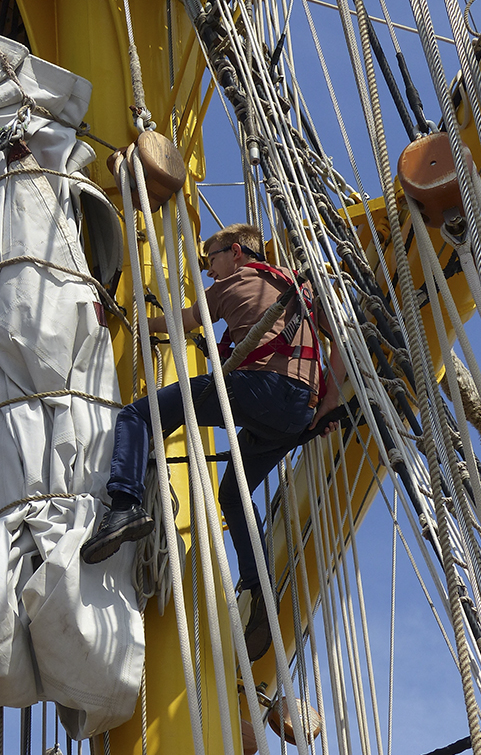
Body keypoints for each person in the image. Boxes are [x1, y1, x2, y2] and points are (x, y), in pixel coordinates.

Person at [81, 224, 345, 660]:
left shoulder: (235, 282)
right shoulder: (297, 288)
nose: (209, 267)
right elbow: (342, 344)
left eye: (212, 258)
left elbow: (183, 322)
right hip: (297, 411)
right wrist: (326, 408)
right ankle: (257, 586)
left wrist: (128, 319)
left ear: (236, 254)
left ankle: (124, 508)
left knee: (136, 415)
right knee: (233, 492)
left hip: (256, 388)